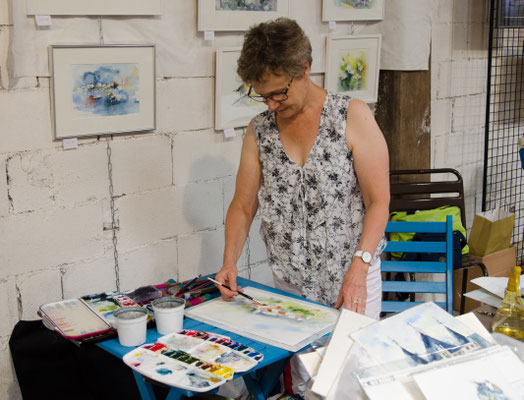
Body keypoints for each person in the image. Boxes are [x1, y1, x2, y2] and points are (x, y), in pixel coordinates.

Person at [215, 17, 389, 319]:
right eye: (261, 95)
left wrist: (359, 270)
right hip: (290, 282)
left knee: (350, 363)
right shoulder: (260, 130)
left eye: (277, 93)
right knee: (302, 368)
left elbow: (379, 202)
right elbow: (243, 206)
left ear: (304, 69)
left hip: (351, 277)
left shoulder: (351, 116)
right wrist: (230, 262)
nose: (270, 105)